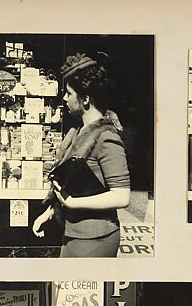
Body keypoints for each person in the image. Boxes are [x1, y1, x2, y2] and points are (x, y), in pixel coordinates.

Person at [32, 53, 131, 256]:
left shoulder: (105, 137)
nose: (65, 98)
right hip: (73, 234)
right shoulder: (78, 132)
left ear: (85, 99)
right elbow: (74, 184)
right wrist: (50, 212)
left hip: (96, 239)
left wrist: (73, 203)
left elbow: (122, 196)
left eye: (69, 93)